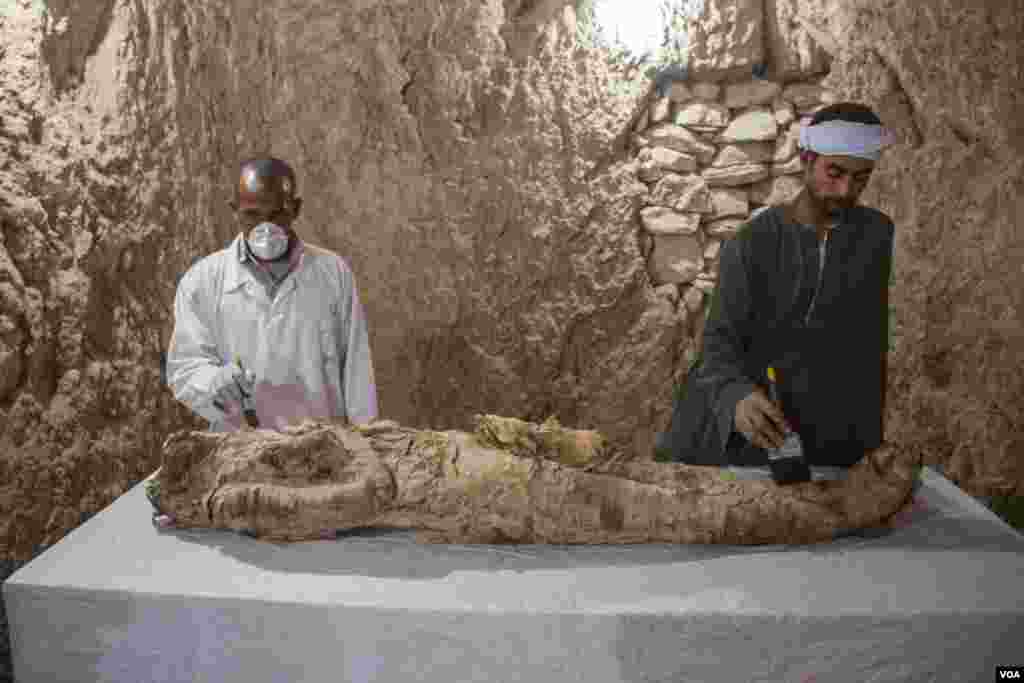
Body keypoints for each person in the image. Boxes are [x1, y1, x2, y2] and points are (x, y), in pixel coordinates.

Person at [656, 102, 896, 469]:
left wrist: (868, 443)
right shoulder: (754, 241)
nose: (846, 190)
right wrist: (736, 396)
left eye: (861, 177)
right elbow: (719, 343)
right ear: (806, 160)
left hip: (831, 436)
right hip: (753, 431)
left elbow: (868, 347)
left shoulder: (876, 235)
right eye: (835, 172)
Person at [166, 157, 378, 432]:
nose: (265, 228)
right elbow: (184, 368)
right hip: (241, 446)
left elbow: (357, 371)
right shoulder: (202, 281)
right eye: (252, 215)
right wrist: (215, 382)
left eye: (277, 214)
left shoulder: (333, 273)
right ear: (235, 210)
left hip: (324, 446)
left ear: (295, 209)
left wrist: (365, 439)